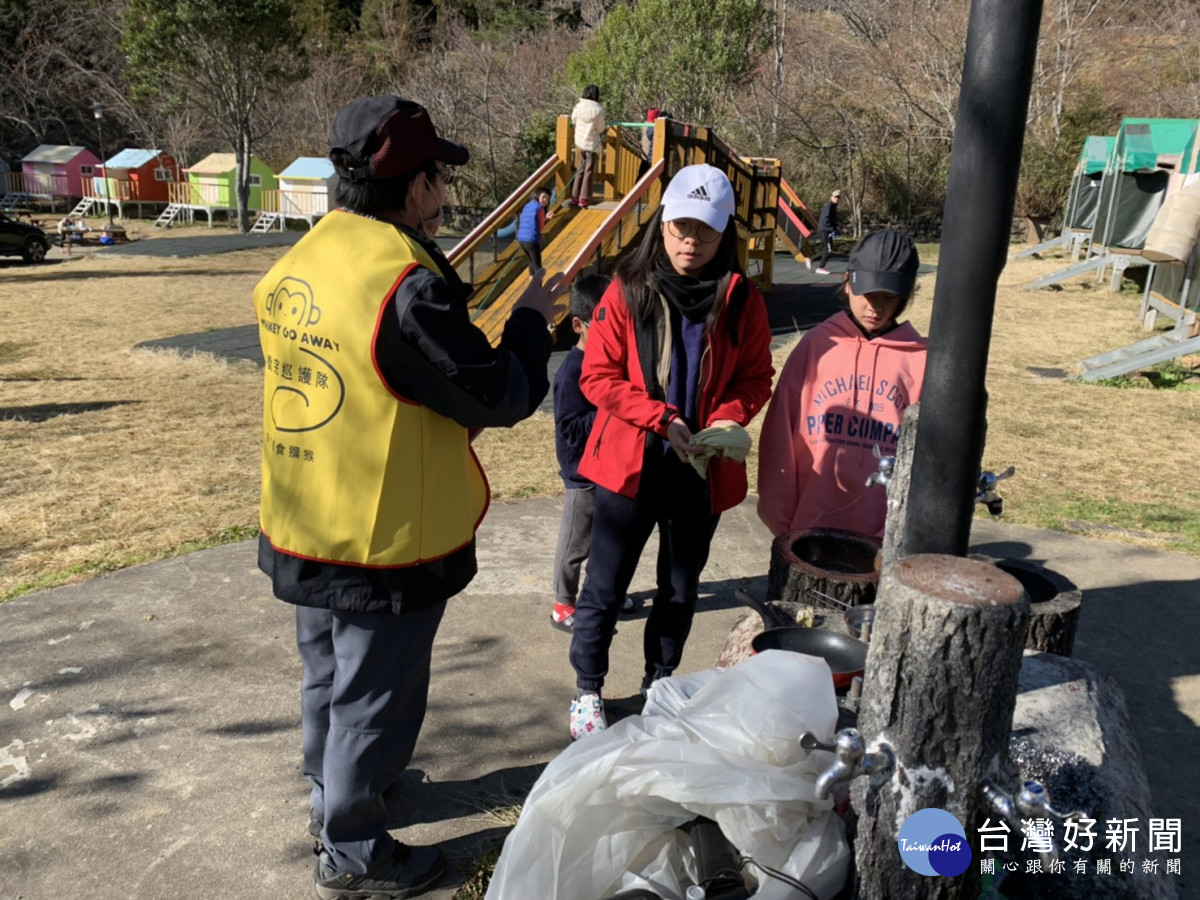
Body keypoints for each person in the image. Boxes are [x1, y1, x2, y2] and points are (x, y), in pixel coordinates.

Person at [252, 95, 564, 899]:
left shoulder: (313, 253)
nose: (446, 192)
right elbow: (493, 393)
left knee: (328, 679)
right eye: (439, 176)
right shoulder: (403, 285)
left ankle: (337, 797)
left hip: (304, 515)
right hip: (382, 538)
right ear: (415, 185)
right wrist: (532, 321)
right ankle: (353, 851)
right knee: (373, 699)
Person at [566, 163, 775, 740]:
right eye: (680, 226)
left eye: (704, 231)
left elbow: (758, 377)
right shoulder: (625, 288)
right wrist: (661, 418)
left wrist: (728, 416)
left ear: (724, 232)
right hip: (629, 466)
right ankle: (588, 689)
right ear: (661, 223)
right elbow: (598, 376)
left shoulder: (741, 300)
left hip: (700, 469)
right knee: (604, 586)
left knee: (679, 589)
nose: (690, 241)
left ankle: (661, 681)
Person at [758, 228, 926, 541]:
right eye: (868, 294)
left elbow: (925, 459)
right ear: (847, 280)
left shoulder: (921, 360)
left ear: (906, 294)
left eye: (887, 297)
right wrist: (781, 520)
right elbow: (780, 434)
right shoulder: (817, 346)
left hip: (882, 536)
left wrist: (896, 531)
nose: (875, 307)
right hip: (805, 526)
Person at [549, 273, 638, 632]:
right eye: (604, 322)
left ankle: (602, 593)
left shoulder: (615, 364)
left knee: (609, 539)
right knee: (575, 543)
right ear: (579, 325)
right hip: (581, 475)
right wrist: (611, 407)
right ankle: (563, 604)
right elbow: (569, 429)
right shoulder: (572, 371)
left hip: (610, 470)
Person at [566, 85, 605, 209]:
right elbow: (601, 128)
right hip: (592, 144)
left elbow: (573, 119)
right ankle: (584, 198)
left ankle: (575, 196)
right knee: (589, 171)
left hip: (580, 142)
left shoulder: (578, 106)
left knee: (580, 169)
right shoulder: (598, 110)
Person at [517, 185, 552, 274]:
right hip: (532, 239)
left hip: (521, 239)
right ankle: (538, 287)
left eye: (547, 199)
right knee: (538, 267)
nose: (545, 200)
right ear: (537, 195)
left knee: (531, 262)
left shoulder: (527, 206)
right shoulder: (540, 208)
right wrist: (546, 218)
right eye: (543, 197)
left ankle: (531, 283)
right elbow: (541, 227)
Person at [808, 188, 841, 274]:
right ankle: (820, 267)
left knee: (827, 250)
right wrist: (831, 229)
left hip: (827, 230)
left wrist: (836, 227)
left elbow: (832, 220)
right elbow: (825, 219)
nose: (837, 198)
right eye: (835, 197)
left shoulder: (833, 207)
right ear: (831, 197)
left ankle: (811, 259)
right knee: (828, 250)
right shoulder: (829, 206)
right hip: (824, 230)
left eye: (838, 197)